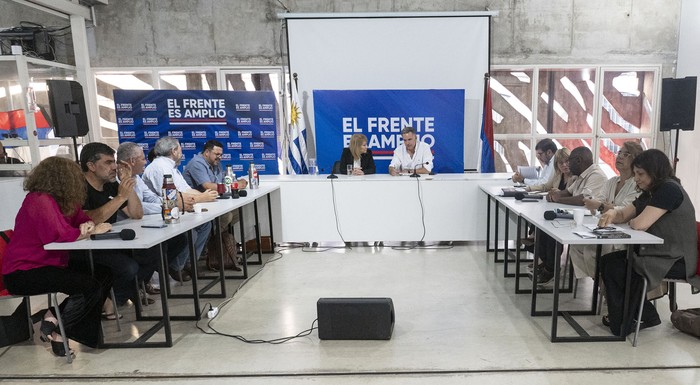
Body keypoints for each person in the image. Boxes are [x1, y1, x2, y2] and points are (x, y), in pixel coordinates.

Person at [1, 156, 113, 357]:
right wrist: (86, 231)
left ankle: (52, 318)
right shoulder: (39, 200)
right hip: (24, 271)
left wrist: (87, 225)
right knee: (87, 285)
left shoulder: (66, 201)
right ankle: (60, 332)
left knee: (103, 273)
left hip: (51, 265)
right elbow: (58, 235)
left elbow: (82, 219)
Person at [598, 149, 700, 336]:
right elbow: (624, 214)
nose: (636, 178)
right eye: (636, 173)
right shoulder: (651, 192)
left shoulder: (669, 189)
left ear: (655, 172)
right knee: (608, 261)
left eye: (640, 174)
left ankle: (628, 319)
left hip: (678, 259)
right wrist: (613, 213)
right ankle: (638, 315)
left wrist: (627, 219)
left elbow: (639, 224)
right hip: (659, 253)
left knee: (619, 267)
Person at [78, 142, 159, 308]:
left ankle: (113, 299)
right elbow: (90, 219)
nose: (114, 167)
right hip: (85, 247)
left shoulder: (111, 185)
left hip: (112, 242)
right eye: (108, 163)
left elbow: (136, 214)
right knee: (128, 267)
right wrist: (120, 198)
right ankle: (106, 302)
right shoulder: (80, 188)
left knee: (155, 252)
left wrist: (127, 183)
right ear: (91, 166)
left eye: (114, 162)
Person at [116, 141, 190, 292]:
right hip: (126, 231)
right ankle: (130, 290)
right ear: (132, 161)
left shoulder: (138, 178)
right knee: (156, 251)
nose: (146, 161)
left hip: (144, 225)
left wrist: (170, 205)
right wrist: (169, 207)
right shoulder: (118, 181)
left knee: (180, 239)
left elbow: (151, 198)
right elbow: (138, 209)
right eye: (143, 158)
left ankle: (144, 281)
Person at [142, 136, 216, 279]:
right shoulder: (159, 167)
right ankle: (175, 266)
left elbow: (186, 189)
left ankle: (188, 262)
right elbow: (171, 195)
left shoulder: (171, 167)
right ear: (174, 151)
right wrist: (202, 198)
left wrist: (208, 196)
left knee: (206, 223)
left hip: (177, 208)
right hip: (159, 213)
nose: (182, 153)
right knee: (191, 232)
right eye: (180, 150)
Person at [531, 146, 607, 284]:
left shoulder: (596, 175)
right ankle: (548, 264)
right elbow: (568, 192)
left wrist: (558, 198)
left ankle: (552, 269)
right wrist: (554, 195)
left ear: (578, 160)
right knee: (543, 228)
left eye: (569, 161)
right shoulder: (580, 175)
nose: (568, 165)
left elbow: (581, 199)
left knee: (553, 231)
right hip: (576, 217)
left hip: (588, 221)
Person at [570, 142, 643, 279]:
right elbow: (596, 205)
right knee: (576, 245)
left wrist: (603, 206)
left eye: (625, 154)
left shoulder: (637, 184)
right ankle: (600, 282)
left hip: (625, 233)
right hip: (604, 227)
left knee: (592, 250)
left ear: (636, 160)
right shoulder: (611, 181)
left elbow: (624, 211)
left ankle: (605, 285)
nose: (619, 156)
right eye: (619, 153)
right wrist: (603, 206)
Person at [182, 139, 244, 271]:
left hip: (212, 203)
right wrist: (234, 186)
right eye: (217, 154)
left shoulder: (216, 164)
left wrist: (236, 183)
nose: (220, 157)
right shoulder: (197, 163)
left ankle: (216, 249)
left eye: (221, 155)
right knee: (226, 217)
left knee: (237, 213)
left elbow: (222, 183)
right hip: (195, 206)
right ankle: (193, 259)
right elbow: (208, 186)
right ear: (206, 153)